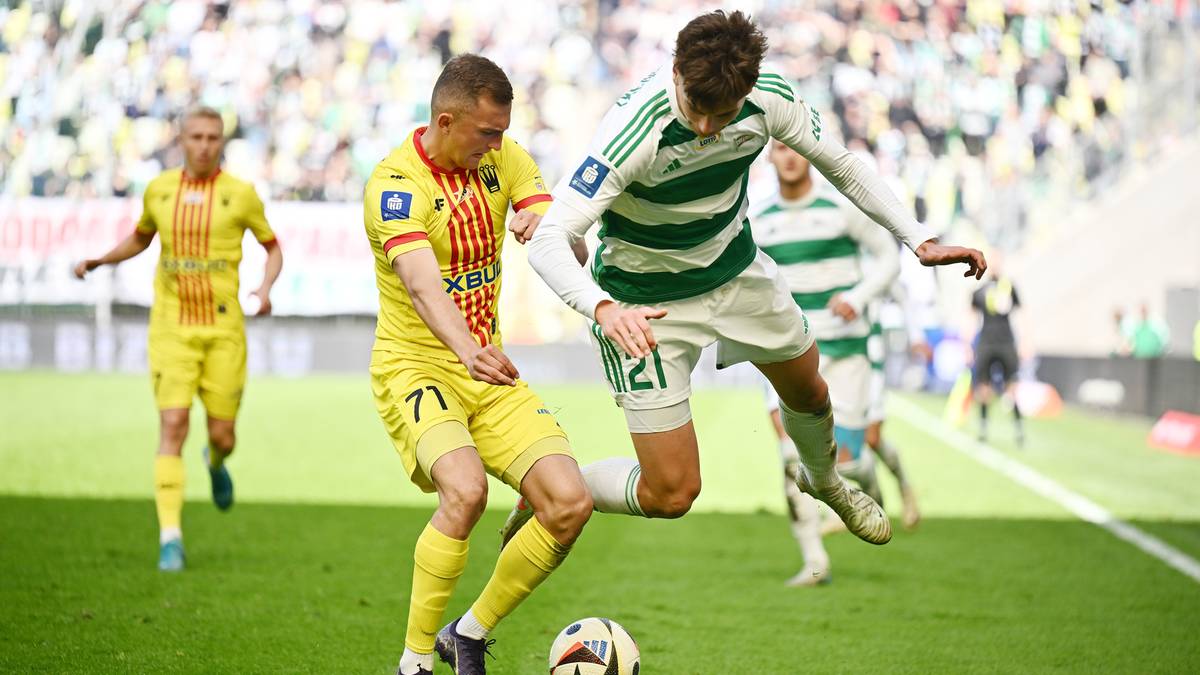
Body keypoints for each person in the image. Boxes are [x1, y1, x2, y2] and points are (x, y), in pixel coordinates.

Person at [516, 11, 985, 552]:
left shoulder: (769, 98)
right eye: (697, 109)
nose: (706, 129)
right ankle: (560, 490)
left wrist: (918, 239)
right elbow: (551, 240)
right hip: (643, 306)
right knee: (672, 494)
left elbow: (844, 166)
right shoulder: (634, 128)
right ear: (675, 72)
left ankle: (824, 481)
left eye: (724, 114)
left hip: (736, 273)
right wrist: (603, 309)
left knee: (809, 386)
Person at [363, 54, 592, 675]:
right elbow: (420, 285)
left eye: (502, 131)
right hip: (418, 368)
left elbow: (573, 247)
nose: (498, 143)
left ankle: (468, 632)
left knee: (569, 503)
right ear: (446, 120)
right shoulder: (394, 185)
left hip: (487, 370)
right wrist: (469, 350)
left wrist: (551, 229)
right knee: (464, 492)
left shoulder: (504, 160)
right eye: (487, 132)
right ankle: (412, 663)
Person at [73, 106, 283, 572]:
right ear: (181, 140)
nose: (204, 145)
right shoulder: (160, 189)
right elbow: (141, 237)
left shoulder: (241, 194)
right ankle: (171, 537)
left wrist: (265, 288)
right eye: (196, 137)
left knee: (222, 433)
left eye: (213, 137)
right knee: (171, 427)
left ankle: (216, 461)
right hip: (171, 329)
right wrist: (100, 261)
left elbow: (272, 247)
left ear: (221, 142)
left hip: (224, 331)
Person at [751, 142, 901, 585]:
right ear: (770, 157)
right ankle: (815, 562)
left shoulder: (842, 208)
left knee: (847, 462)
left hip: (845, 351)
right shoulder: (758, 221)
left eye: (795, 148)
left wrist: (857, 297)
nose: (790, 156)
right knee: (787, 455)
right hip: (788, 353)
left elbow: (889, 256)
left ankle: (868, 485)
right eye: (780, 149)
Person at [971, 267, 1023, 445]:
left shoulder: (1009, 288)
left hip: (1006, 342)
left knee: (1012, 387)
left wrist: (1025, 341)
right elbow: (970, 313)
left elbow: (1022, 311)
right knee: (984, 387)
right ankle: (983, 428)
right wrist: (967, 343)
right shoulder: (980, 290)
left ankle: (1018, 429)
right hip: (986, 342)